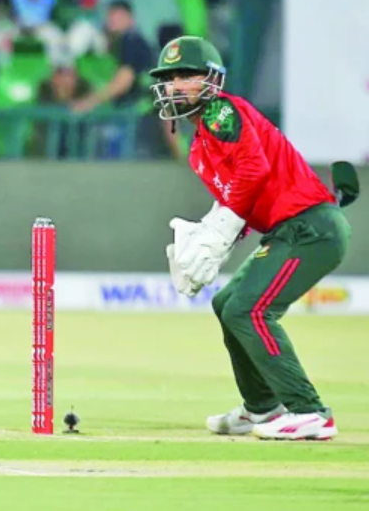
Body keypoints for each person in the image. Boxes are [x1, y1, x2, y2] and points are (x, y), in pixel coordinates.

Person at [151, 35, 357, 441]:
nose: (175, 86)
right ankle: (262, 406)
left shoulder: (220, 112)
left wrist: (223, 227)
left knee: (250, 310)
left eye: (186, 75)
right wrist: (212, 239)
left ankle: (310, 412)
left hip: (311, 227)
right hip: (290, 230)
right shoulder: (199, 148)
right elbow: (241, 199)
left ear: (211, 80)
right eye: (170, 78)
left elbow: (254, 171)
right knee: (228, 304)